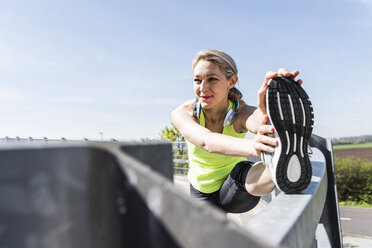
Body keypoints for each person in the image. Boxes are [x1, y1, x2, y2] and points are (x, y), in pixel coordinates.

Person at [171, 49, 303, 213]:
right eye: (197, 80)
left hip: (237, 185)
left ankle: (281, 161)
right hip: (201, 190)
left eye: (212, 79)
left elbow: (256, 120)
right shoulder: (183, 113)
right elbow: (206, 141)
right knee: (209, 237)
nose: (203, 88)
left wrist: (269, 116)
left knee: (249, 174)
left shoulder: (240, 112)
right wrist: (257, 147)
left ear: (231, 81)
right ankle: (278, 155)